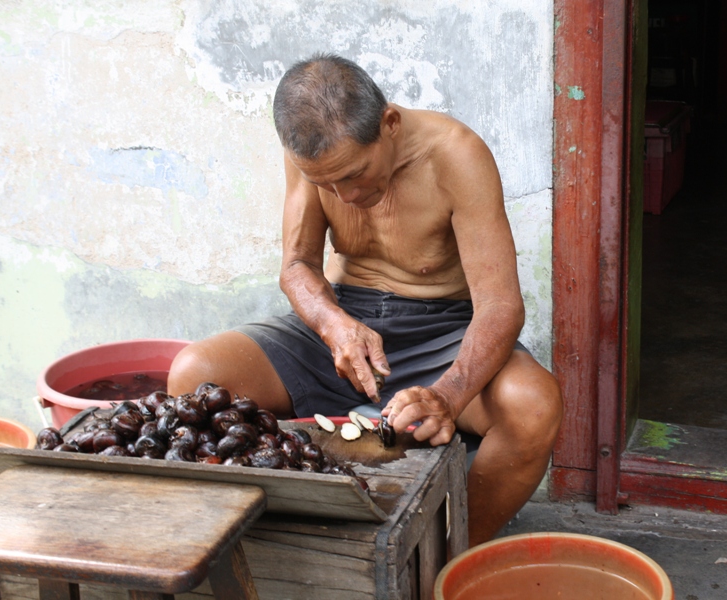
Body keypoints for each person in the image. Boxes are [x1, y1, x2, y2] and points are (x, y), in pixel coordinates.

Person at [168, 53, 563, 546]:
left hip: (442, 331)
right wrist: (333, 324)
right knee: (193, 375)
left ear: (390, 123)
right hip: (342, 326)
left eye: (355, 173)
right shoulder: (311, 157)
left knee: (532, 405)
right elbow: (298, 267)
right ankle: (265, 544)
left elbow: (501, 305)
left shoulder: (456, 155)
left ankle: (447, 557)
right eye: (325, 183)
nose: (344, 194)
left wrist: (448, 395)